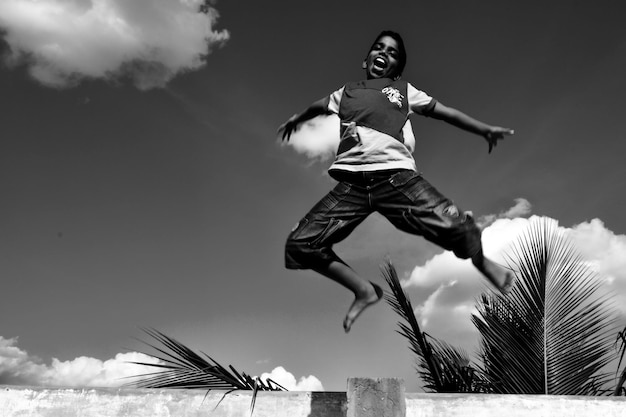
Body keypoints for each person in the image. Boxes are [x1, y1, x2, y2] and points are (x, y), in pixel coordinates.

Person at [278, 30, 515, 333]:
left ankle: (482, 262)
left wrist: (484, 129)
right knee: (300, 244)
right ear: (366, 60)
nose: (384, 54)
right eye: (379, 48)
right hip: (352, 186)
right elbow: (316, 106)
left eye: (392, 53)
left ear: (397, 67)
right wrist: (296, 120)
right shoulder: (346, 92)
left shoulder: (403, 90)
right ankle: (363, 290)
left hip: (396, 178)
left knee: (453, 225)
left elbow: (446, 113)